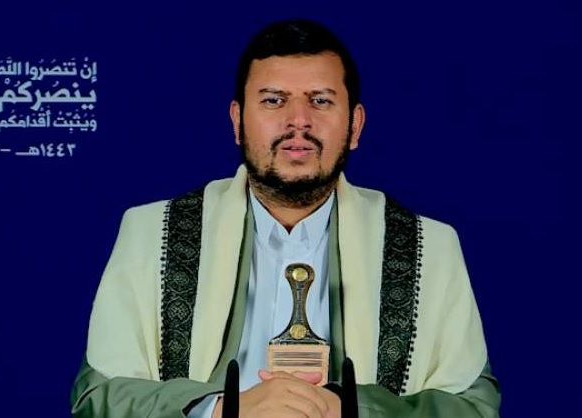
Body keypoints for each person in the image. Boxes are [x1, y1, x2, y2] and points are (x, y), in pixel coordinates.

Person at [70, 18, 501, 418]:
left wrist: (348, 409)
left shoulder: (428, 246)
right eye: (274, 101)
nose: (298, 121)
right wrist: (223, 410)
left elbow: (474, 407)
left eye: (321, 101)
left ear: (355, 125)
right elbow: (98, 397)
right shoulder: (152, 233)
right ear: (238, 121)